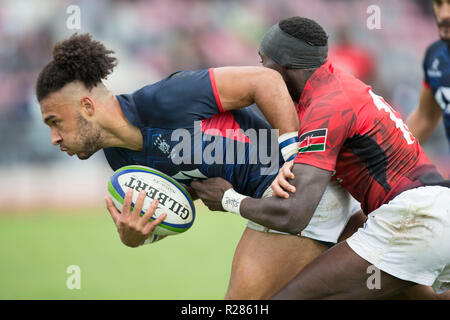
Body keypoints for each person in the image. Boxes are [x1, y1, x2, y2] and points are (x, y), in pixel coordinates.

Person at [35, 33, 360, 299]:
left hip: (302, 194)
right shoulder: (120, 160)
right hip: (292, 204)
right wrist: (138, 236)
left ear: (87, 106)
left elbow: (266, 81)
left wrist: (295, 159)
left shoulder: (167, 98)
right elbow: (179, 203)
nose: (53, 137)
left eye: (55, 121)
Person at [192, 16, 450, 299]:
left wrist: (229, 200)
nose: (261, 71)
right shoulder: (338, 86)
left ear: (283, 64)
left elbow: (295, 214)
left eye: (263, 61)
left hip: (414, 218)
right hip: (434, 215)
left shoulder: (327, 107)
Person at [406, 0, 450, 150]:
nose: (444, 14)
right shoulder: (436, 57)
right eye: (439, 4)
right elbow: (426, 117)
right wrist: (381, 161)